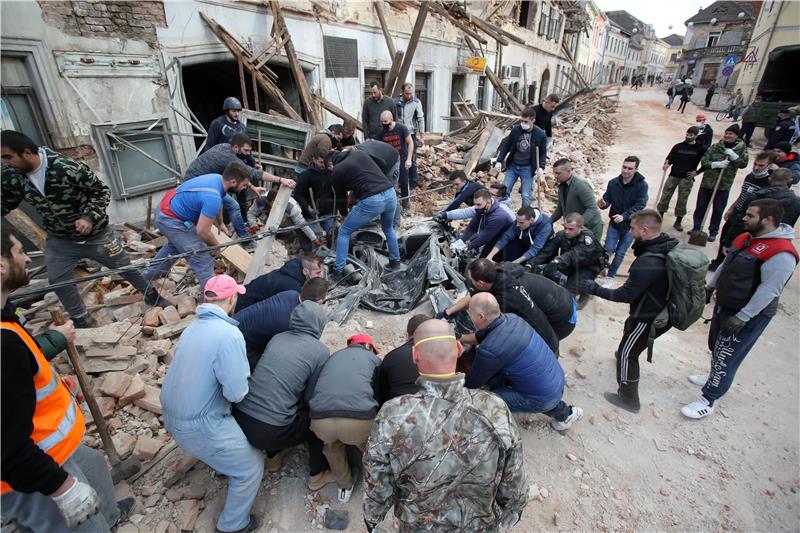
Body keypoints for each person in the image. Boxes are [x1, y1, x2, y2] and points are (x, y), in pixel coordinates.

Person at [1, 228, 134, 532]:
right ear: (1, 265)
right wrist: (62, 488)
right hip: (29, 472)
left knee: (95, 465)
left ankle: (110, 517)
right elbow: (6, 448)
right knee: (79, 526)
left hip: (50, 446)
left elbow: (21, 374)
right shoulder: (3, 348)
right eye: (20, 251)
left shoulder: (5, 317)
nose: (26, 257)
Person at [363, 319, 528, 532]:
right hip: (478, 526)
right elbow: (513, 479)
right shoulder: (494, 408)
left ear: (415, 356)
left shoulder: (394, 414)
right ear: (459, 349)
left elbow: (377, 478)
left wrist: (373, 517)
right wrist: (513, 508)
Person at [1, 130, 167, 328]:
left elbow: (101, 192)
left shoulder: (66, 167)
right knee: (58, 279)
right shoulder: (12, 176)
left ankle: (151, 295)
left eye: (7, 157)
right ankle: (82, 319)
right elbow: (5, 201)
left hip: (97, 236)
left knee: (125, 267)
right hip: (60, 239)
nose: (4, 162)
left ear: (27, 153)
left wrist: (88, 217)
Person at [160, 274, 263, 533]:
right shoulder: (229, 334)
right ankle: (233, 525)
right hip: (199, 425)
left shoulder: (193, 326)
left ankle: (220, 463)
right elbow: (237, 392)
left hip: (170, 416)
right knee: (251, 467)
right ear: (232, 298)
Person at [683, 199, 798, 419]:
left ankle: (708, 399)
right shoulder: (746, 238)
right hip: (727, 303)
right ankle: (712, 375)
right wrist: (710, 287)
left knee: (728, 354)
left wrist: (743, 317)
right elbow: (726, 265)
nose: (744, 218)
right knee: (716, 344)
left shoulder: (781, 253)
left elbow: (769, 290)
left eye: (750, 215)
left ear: (768, 219)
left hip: (748, 315)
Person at [578, 209, 679, 413]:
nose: (630, 232)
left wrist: (594, 288)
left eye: (633, 228)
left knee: (628, 354)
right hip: (656, 306)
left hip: (648, 317)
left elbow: (625, 295)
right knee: (629, 335)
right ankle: (625, 352)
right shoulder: (665, 244)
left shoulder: (647, 262)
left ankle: (628, 398)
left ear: (645, 230)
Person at [232, 301, 334, 491]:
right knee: (317, 427)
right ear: (318, 324)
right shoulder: (320, 351)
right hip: (272, 429)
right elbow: (311, 396)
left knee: (275, 400)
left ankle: (273, 458)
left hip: (240, 420)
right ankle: (317, 475)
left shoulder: (278, 337)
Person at [465, 293, 583, 431]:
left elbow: (472, 383)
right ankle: (566, 414)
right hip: (555, 380)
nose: (469, 318)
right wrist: (460, 338)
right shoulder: (513, 319)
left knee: (485, 401)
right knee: (533, 388)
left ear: (481, 317)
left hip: (543, 396)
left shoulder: (490, 350)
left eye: (470, 315)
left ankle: (487, 432)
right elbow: (484, 335)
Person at [142, 161, 252, 291]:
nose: (245, 188)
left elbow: (219, 202)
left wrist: (221, 222)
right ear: (233, 182)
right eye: (244, 185)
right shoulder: (212, 196)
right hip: (170, 218)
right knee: (202, 258)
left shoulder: (218, 179)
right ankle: (213, 303)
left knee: (176, 247)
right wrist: (216, 246)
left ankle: (144, 279)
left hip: (167, 208)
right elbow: (202, 231)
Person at [309, 334, 381, 502]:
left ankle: (344, 487)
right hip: (357, 422)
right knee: (371, 448)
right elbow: (378, 395)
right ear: (369, 347)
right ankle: (378, 485)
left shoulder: (333, 357)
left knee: (331, 447)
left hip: (321, 421)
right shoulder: (374, 360)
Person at [185, 133, 295, 238]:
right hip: (196, 186)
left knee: (230, 206)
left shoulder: (224, 146)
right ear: (236, 147)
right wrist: (281, 180)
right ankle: (245, 241)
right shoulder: (228, 157)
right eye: (246, 150)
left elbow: (242, 174)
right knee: (232, 206)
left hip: (199, 181)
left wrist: (253, 187)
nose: (247, 154)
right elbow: (253, 173)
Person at [441, 259, 576, 344]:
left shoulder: (504, 302)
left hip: (562, 318)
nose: (470, 281)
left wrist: (457, 337)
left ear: (481, 283)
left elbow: (485, 335)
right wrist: (447, 312)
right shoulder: (500, 270)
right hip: (557, 297)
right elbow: (474, 296)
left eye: (472, 279)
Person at [327, 149, 401, 278]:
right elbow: (382, 163)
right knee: (388, 229)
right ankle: (395, 262)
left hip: (372, 199)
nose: (329, 171)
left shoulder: (337, 170)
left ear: (330, 164)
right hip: (390, 192)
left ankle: (338, 271)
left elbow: (341, 197)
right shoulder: (359, 153)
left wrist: (344, 215)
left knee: (344, 232)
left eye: (328, 168)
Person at [233, 277, 328, 362]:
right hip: (240, 345)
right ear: (319, 302)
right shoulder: (293, 318)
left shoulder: (290, 293)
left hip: (236, 323)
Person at [709, 152, 775, 271]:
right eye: (755, 164)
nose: (756, 167)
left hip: (748, 218)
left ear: (769, 166)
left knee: (738, 243)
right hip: (737, 212)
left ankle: (729, 266)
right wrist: (732, 208)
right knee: (725, 237)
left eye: (761, 165)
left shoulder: (768, 183)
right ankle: (718, 262)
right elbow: (742, 194)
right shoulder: (749, 176)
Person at [530, 212, 605, 308]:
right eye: (565, 227)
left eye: (571, 229)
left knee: (567, 294)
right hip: (571, 263)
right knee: (544, 272)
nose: (566, 231)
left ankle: (586, 292)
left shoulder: (587, 239)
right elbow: (546, 251)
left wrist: (556, 262)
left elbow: (573, 255)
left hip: (588, 267)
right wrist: (531, 264)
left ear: (580, 228)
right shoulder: (562, 235)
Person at [690, 124, 749, 241]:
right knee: (701, 206)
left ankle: (713, 231)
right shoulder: (716, 146)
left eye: (730, 134)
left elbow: (743, 164)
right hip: (708, 182)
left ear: (736, 135)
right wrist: (715, 164)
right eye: (726, 133)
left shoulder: (741, 149)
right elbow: (704, 161)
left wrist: (734, 157)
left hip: (723, 185)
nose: (727, 135)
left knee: (718, 209)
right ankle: (696, 227)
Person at [597, 156, 649, 284]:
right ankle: (600, 269)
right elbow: (607, 199)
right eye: (624, 167)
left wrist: (625, 216)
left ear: (636, 170)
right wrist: (602, 204)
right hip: (615, 224)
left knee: (620, 253)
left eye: (630, 168)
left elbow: (640, 205)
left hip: (631, 226)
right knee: (608, 249)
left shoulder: (642, 185)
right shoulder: (613, 183)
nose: (625, 171)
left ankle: (610, 276)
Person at [493, 107, 548, 207]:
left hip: (528, 168)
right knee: (505, 191)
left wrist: (541, 167)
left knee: (526, 195)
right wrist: (499, 160)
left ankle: (525, 217)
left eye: (526, 121)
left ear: (533, 120)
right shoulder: (516, 130)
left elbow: (543, 153)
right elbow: (507, 145)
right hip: (513, 166)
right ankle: (503, 214)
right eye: (521, 121)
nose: (523, 123)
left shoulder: (540, 135)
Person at [235, 253, 324, 312]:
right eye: (318, 273)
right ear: (305, 271)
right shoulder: (291, 287)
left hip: (242, 295)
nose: (321, 276)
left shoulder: (293, 268)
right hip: (242, 305)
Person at [657, 126, 707, 231]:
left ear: (696, 136)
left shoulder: (701, 149)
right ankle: (660, 216)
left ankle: (678, 221)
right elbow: (669, 158)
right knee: (665, 196)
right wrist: (666, 164)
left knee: (682, 200)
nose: (688, 137)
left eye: (691, 135)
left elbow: (706, 163)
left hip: (686, 179)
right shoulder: (678, 146)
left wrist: (696, 172)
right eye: (687, 135)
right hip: (673, 175)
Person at [375, 314, 428, 405]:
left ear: (407, 336)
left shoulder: (391, 356)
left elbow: (381, 394)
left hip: (398, 410)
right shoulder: (440, 355)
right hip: (431, 410)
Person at [247, 189, 321, 249]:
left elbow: (303, 225)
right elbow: (251, 213)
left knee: (301, 234)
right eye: (272, 203)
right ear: (268, 201)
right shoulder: (261, 200)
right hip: (269, 221)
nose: (275, 205)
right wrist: (253, 225)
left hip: (288, 221)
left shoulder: (291, 207)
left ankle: (307, 249)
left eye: (277, 203)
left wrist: (314, 239)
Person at [550, 158, 604, 240]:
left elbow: (592, 208)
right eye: (554, 173)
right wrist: (548, 222)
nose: (555, 176)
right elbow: (561, 208)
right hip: (574, 229)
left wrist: (577, 225)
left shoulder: (580, 185)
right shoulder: (562, 185)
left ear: (568, 171)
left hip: (590, 228)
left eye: (558, 173)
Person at [456, 189, 514, 258]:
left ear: (488, 202)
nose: (476, 207)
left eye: (479, 204)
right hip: (494, 238)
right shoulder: (482, 209)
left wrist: (466, 247)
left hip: (506, 244)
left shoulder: (498, 217)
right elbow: (472, 227)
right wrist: (461, 241)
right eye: (475, 204)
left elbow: (484, 237)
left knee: (484, 263)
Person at [488, 206, 553, 263]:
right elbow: (506, 237)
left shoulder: (545, 226)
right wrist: (490, 255)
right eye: (517, 221)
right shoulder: (521, 219)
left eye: (521, 223)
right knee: (506, 248)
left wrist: (515, 262)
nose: (517, 225)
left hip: (540, 248)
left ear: (531, 220)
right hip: (524, 240)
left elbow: (535, 249)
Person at [376, 110, 413, 211]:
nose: (384, 124)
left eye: (386, 121)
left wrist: (409, 159)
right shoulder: (381, 132)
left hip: (402, 159)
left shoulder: (401, 128)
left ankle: (406, 205)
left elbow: (410, 142)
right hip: (389, 163)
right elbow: (379, 148)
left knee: (404, 183)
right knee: (391, 186)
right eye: (382, 122)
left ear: (391, 119)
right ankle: (392, 206)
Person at [293, 152, 336, 235]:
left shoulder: (331, 173)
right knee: (317, 237)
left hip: (328, 213)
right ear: (314, 160)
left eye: (325, 162)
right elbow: (297, 194)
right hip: (311, 215)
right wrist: (308, 208)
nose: (324, 165)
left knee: (333, 234)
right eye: (321, 162)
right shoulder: (305, 175)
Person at [395, 82, 425, 190]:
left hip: (411, 134)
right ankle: (401, 183)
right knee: (399, 159)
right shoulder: (396, 102)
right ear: (402, 92)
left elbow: (420, 119)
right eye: (407, 93)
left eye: (410, 93)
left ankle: (413, 184)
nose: (409, 96)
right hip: (398, 135)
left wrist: (422, 136)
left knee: (411, 159)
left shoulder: (416, 102)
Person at [438, 182, 514, 222]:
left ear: (500, 198)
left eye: (491, 194)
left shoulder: (502, 211)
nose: (487, 195)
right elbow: (466, 212)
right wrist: (446, 215)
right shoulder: (487, 205)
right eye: (488, 192)